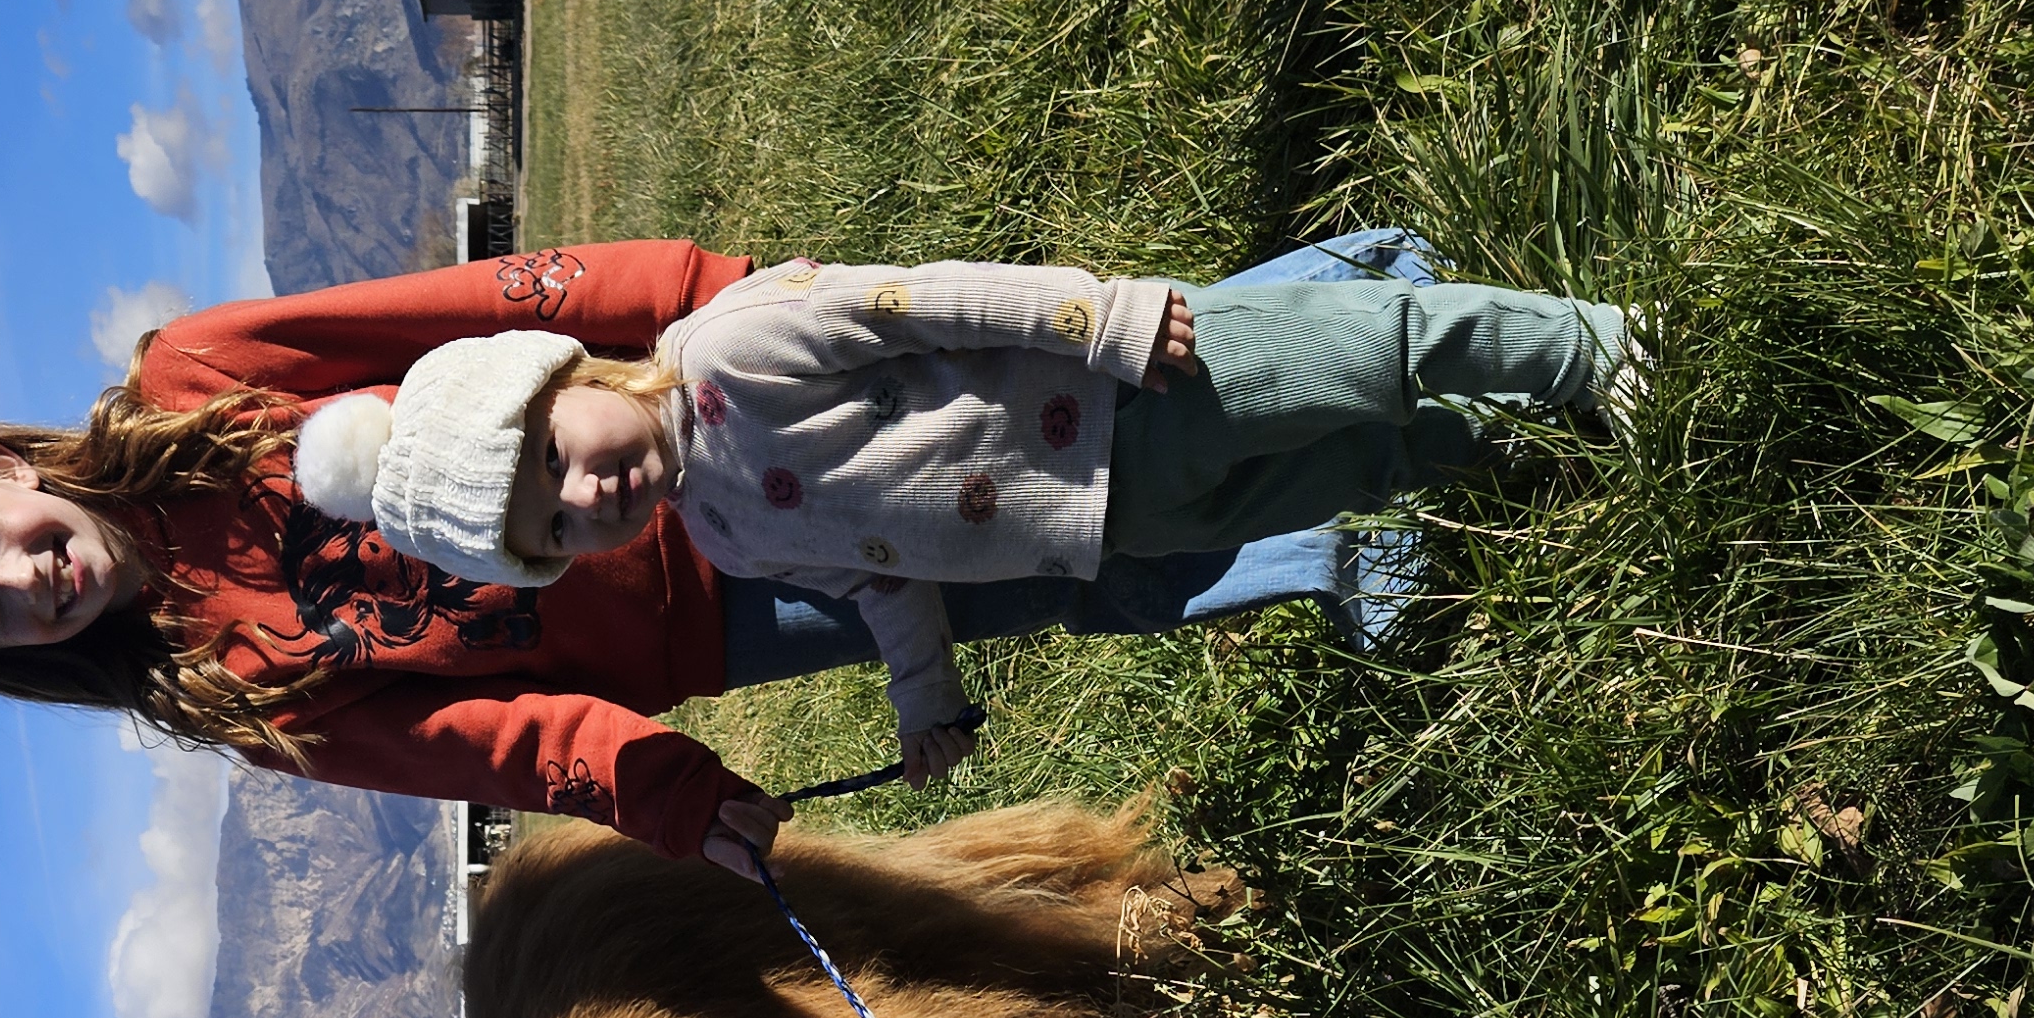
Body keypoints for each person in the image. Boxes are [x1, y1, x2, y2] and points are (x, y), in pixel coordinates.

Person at [0, 241, 1446, 874]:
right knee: (1033, 568)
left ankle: (1332, 317)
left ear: (1, 470)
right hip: (716, 629)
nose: (27, 583)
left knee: (1017, 427)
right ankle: (1329, 520)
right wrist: (673, 798)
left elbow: (465, 314)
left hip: (658, 433)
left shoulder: (201, 377)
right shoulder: (234, 695)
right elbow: (494, 741)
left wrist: (685, 287)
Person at [299, 258, 1634, 865]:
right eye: (560, 530)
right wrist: (921, 695)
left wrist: (1101, 317)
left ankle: (1589, 348)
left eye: (557, 457)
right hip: (1104, 524)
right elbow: (881, 577)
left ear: (566, 376)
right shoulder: (721, 531)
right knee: (1344, 470)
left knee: (1357, 353)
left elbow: (921, 301)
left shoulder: (732, 348)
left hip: (1130, 396)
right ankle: (1520, 438)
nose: (589, 494)